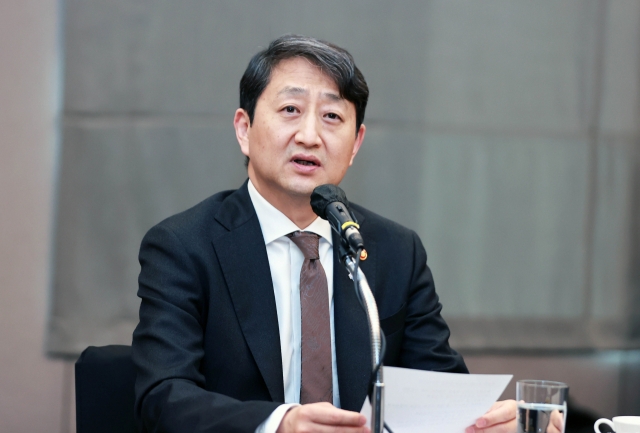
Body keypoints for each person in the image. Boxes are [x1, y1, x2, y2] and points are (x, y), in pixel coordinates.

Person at [132, 34, 517, 433]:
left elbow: (440, 393)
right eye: (290, 109)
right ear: (244, 129)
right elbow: (164, 397)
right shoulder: (184, 246)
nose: (310, 136)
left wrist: (488, 423)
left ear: (356, 143)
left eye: (332, 117)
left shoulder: (395, 252)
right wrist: (281, 424)